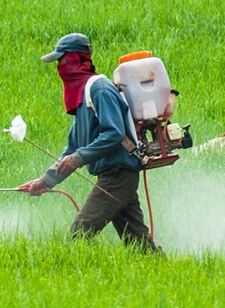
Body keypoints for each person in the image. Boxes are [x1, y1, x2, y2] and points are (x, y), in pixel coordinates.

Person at [19, 33, 162, 254]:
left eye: (62, 60)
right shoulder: (82, 99)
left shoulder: (99, 89)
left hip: (118, 174)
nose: (59, 67)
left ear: (76, 59)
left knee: (80, 232)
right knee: (138, 244)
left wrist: (78, 159)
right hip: (115, 175)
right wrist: (45, 181)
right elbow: (72, 149)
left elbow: (113, 133)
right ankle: (159, 271)